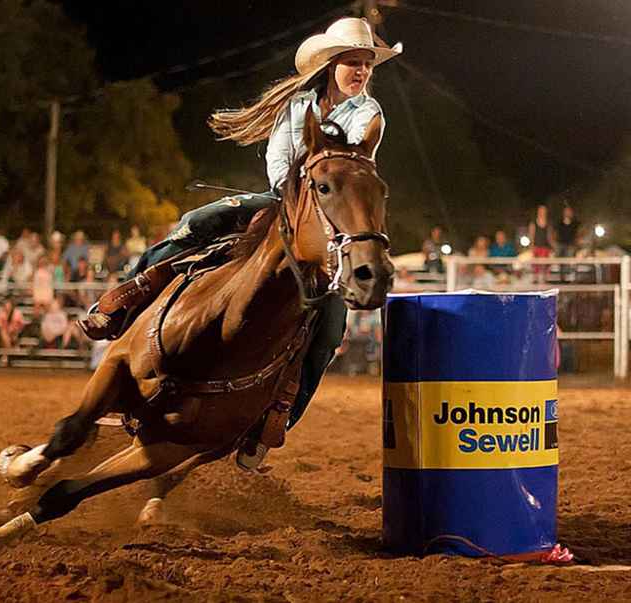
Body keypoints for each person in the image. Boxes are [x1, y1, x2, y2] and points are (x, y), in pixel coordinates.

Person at [81, 17, 402, 469]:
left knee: (329, 330)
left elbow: (345, 168)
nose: (361, 71)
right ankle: (124, 301)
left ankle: (275, 422)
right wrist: (288, 195)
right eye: (353, 61)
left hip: (325, 218)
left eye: (367, 64)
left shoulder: (370, 114)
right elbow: (279, 155)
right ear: (331, 64)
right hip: (283, 199)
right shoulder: (299, 103)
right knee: (196, 224)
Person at [528, 204, 554, 283]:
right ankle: (535, 280)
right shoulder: (533, 223)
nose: (542, 212)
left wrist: (552, 247)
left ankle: (545, 280)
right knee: (536, 266)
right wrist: (531, 247)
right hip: (536, 247)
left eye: (544, 211)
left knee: (545, 265)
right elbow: (531, 235)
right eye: (541, 211)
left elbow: (549, 237)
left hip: (545, 247)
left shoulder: (548, 224)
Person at [556, 205, 580, 283]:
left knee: (569, 254)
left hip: (571, 245)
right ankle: (562, 277)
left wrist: (576, 242)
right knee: (560, 255)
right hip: (561, 244)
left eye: (569, 212)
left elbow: (579, 234)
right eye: (566, 212)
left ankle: (570, 277)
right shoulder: (559, 223)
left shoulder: (575, 224)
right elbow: (555, 234)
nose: (567, 213)